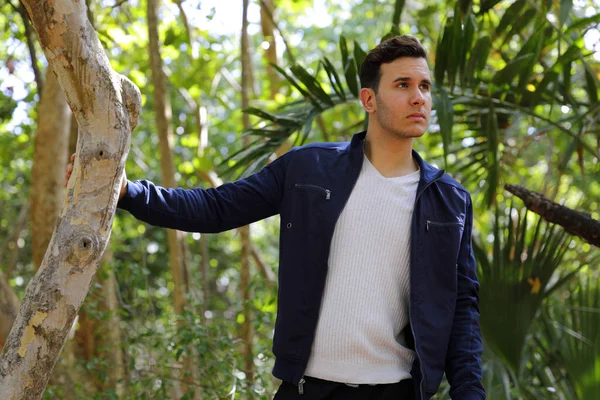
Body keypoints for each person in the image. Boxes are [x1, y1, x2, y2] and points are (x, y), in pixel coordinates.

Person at [66, 35, 485, 400]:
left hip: (396, 392)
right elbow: (217, 208)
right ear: (369, 99)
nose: (419, 97)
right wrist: (127, 191)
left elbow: (462, 310)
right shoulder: (308, 169)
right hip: (307, 388)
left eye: (425, 86)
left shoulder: (449, 201)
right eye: (404, 85)